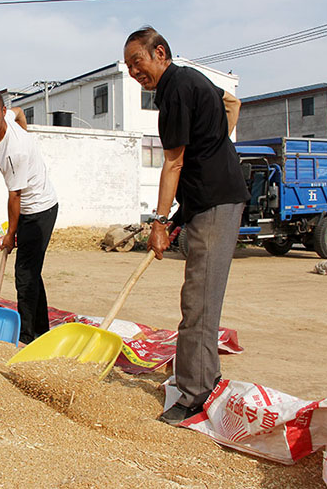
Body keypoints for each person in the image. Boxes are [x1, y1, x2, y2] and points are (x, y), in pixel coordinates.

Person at [123, 26, 249, 425]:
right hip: (206, 200)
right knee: (199, 299)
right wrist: (183, 211)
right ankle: (203, 379)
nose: (133, 73)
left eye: (137, 62)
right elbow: (232, 104)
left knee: (199, 301)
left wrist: (159, 222)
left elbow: (174, 162)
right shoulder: (194, 82)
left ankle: (196, 395)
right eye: (128, 67)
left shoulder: (176, 89)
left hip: (217, 202)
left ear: (160, 52)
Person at [0, 90, 59, 345]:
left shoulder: (15, 153)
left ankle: (27, 337)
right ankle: (41, 329)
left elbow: (15, 197)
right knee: (31, 271)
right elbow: (20, 112)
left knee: (24, 275)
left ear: (1, 112)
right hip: (28, 208)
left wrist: (10, 235)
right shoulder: (9, 120)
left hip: (39, 210)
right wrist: (26, 134)